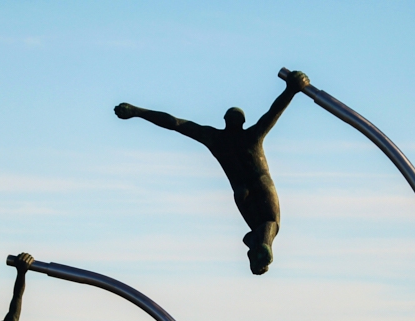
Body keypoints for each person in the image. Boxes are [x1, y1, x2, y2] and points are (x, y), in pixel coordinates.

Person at [115, 70, 310, 275]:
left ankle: (257, 246)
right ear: (242, 122)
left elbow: (174, 123)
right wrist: (291, 89)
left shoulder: (214, 138)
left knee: (261, 228)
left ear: (225, 120)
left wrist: (137, 111)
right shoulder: (253, 135)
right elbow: (274, 112)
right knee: (271, 223)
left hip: (241, 191)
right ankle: (262, 247)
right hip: (260, 183)